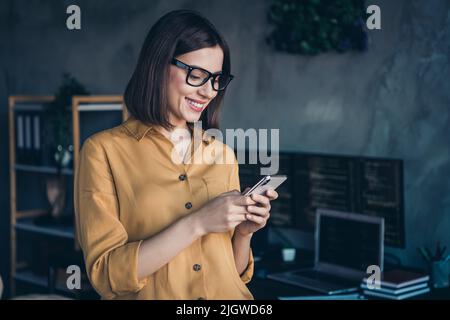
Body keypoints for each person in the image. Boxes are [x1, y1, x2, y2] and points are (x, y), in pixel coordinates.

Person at [74, 9, 278, 300]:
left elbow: (231, 273)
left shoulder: (221, 154)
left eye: (217, 79)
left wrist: (244, 232)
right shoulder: (102, 152)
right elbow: (107, 276)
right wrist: (197, 223)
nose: (209, 92)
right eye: (196, 75)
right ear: (157, 67)